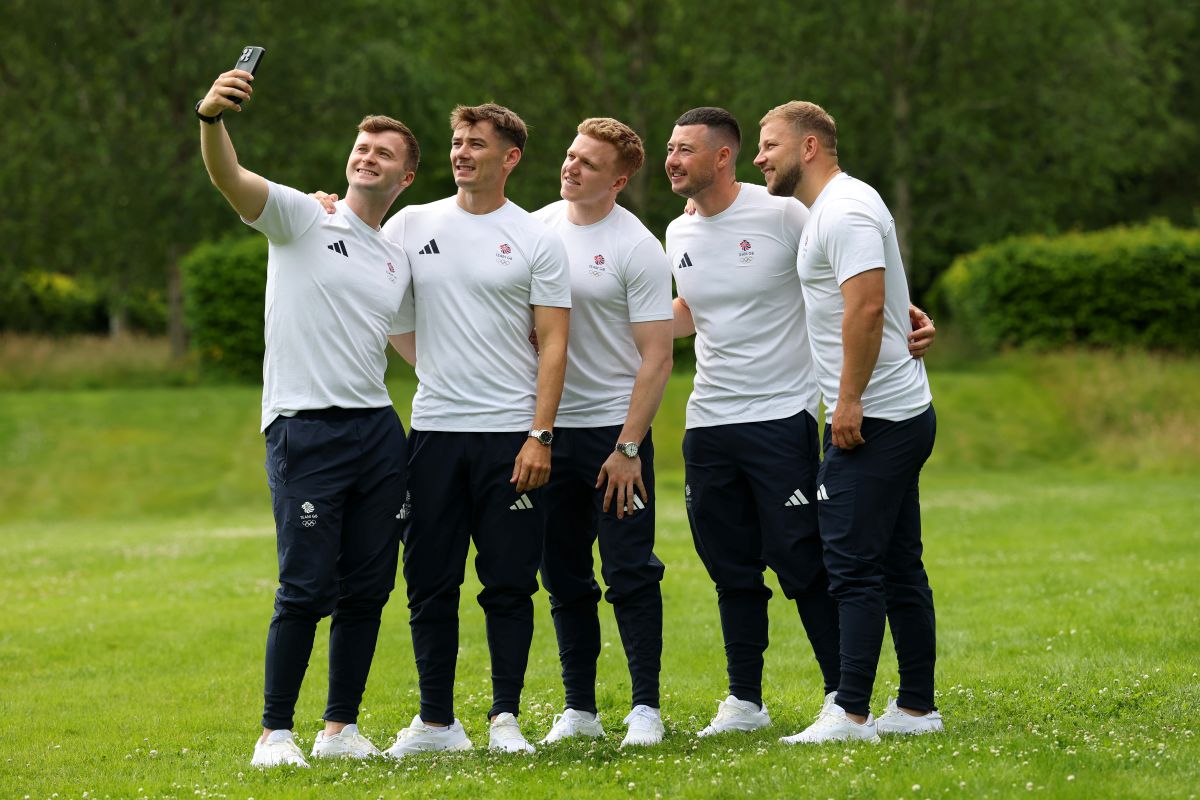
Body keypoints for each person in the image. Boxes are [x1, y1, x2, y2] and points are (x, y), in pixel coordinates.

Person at [664, 107, 934, 739]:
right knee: (747, 564)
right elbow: (691, 311)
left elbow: (862, 288)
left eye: (683, 149)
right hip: (712, 419)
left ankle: (845, 704)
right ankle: (758, 702)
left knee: (826, 562)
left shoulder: (803, 211)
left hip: (807, 414)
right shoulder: (678, 234)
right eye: (668, 148)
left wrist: (895, 325)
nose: (671, 159)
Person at [195, 67, 420, 766]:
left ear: (406, 177)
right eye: (361, 146)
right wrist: (211, 120)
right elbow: (230, 178)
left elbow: (416, 350)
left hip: (378, 430)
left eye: (384, 152)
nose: (367, 156)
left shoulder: (396, 260)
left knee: (369, 587)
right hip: (306, 427)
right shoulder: (303, 216)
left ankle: (340, 730)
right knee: (305, 587)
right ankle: (275, 733)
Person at [380, 104, 571, 756]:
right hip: (433, 432)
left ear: (509, 158)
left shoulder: (536, 236)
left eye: (476, 144)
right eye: (457, 142)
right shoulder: (411, 223)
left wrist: (540, 435)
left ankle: (505, 720)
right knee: (429, 578)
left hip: (511, 435)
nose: (461, 153)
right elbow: (377, 296)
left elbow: (553, 343)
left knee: (509, 582)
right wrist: (434, 365)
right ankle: (436, 723)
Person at [755, 100, 942, 744]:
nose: (761, 157)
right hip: (893, 410)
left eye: (770, 145)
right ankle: (917, 708)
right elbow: (870, 296)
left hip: (876, 417)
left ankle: (852, 712)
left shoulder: (848, 209)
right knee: (897, 562)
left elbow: (863, 312)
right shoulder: (831, 210)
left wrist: (848, 400)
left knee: (851, 564)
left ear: (809, 147)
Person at [530, 118, 674, 748]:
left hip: (614, 436)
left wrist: (628, 447)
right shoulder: (533, 228)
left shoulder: (636, 246)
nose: (571, 168)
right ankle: (579, 708)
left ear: (617, 179)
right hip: (548, 435)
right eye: (569, 155)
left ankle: (646, 709)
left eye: (588, 163)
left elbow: (657, 355)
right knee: (562, 575)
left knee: (630, 571)